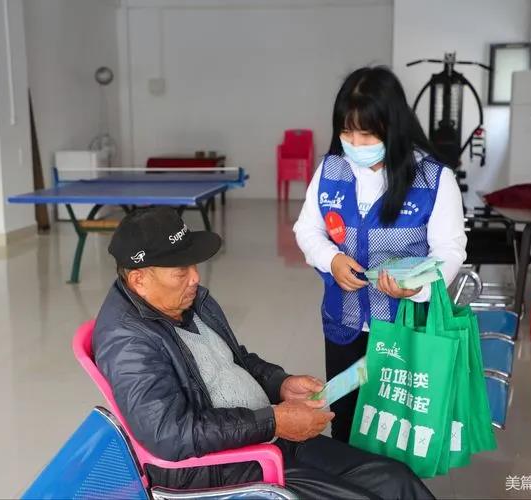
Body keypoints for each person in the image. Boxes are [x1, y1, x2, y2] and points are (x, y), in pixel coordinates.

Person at [93, 207, 434, 499]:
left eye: (193, 265)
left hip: (264, 434)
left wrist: (280, 384)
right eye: (181, 272)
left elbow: (236, 359)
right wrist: (274, 419)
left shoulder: (185, 301)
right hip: (223, 467)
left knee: (395, 479)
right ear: (139, 280)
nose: (195, 278)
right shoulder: (128, 343)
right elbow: (171, 434)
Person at [293, 66, 467, 443]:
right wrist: (331, 259)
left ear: (393, 126)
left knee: (398, 425)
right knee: (346, 418)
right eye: (346, 131)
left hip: (405, 328)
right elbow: (307, 229)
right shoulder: (330, 170)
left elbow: (450, 251)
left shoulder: (433, 179)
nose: (355, 143)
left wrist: (417, 287)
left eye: (367, 133)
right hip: (345, 325)